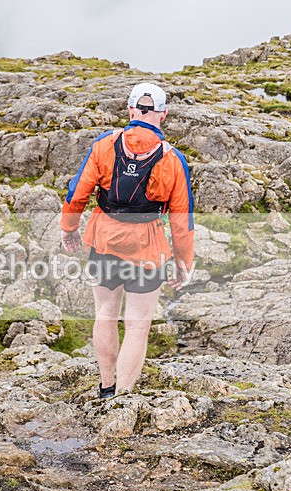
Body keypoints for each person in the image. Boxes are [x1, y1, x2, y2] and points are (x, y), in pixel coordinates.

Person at [60, 82, 194, 399]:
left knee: (105, 313)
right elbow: (181, 220)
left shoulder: (104, 146)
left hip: (105, 236)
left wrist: (69, 228)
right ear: (163, 114)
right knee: (137, 325)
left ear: (130, 109)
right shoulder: (173, 160)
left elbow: (77, 193)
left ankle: (107, 387)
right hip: (147, 245)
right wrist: (183, 264)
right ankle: (123, 396)